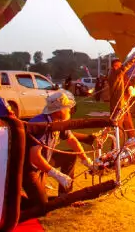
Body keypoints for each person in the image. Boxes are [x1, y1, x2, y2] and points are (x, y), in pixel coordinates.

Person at [19, 90, 96, 222]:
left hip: (44, 160)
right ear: (58, 111)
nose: (69, 110)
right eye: (67, 108)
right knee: (43, 209)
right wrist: (57, 175)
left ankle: (65, 196)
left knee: (70, 156)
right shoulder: (41, 124)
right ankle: (17, 199)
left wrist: (86, 160)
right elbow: (34, 157)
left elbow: (72, 140)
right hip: (29, 168)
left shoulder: (59, 122)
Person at [108, 58, 135, 144]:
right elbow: (124, 68)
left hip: (124, 106)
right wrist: (134, 59)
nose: (119, 67)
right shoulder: (113, 75)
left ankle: (132, 147)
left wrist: (130, 87)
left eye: (120, 65)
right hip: (118, 107)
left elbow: (126, 81)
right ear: (113, 67)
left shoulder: (121, 76)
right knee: (118, 131)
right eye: (117, 66)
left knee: (130, 129)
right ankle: (114, 150)